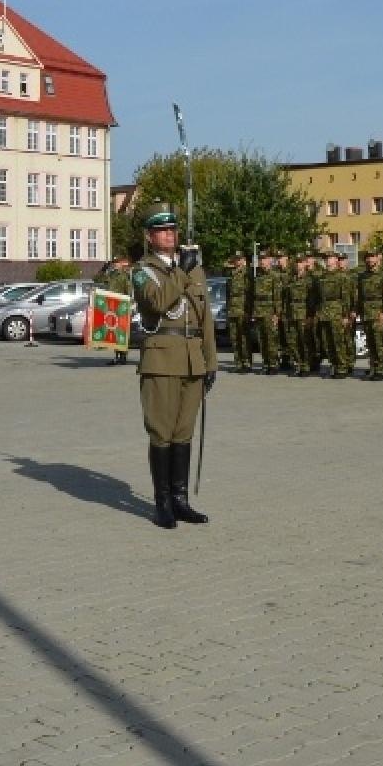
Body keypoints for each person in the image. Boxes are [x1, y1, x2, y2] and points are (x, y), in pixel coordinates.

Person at [129, 203, 216, 529]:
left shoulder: (193, 268)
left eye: (173, 229)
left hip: (193, 359)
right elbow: (157, 301)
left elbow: (204, 317)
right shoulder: (143, 270)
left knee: (183, 433)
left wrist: (210, 361)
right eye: (163, 230)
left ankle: (181, 500)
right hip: (162, 359)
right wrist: (181, 270)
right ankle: (162, 502)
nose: (170, 235)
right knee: (162, 433)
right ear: (151, 237)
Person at [314, 250, 356, 378]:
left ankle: (342, 367)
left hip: (337, 312)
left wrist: (345, 315)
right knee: (327, 341)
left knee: (338, 341)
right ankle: (334, 364)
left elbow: (346, 297)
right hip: (324, 312)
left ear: (336, 260)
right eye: (326, 259)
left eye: (330, 258)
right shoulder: (321, 277)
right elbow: (318, 297)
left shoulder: (342, 277)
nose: (328, 261)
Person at [355, 249, 383, 380]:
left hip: (377, 312)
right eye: (368, 258)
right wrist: (358, 311)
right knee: (370, 342)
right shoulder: (362, 276)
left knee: (379, 342)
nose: (370, 260)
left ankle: (380, 369)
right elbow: (359, 296)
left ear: (377, 258)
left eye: (372, 257)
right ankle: (372, 367)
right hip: (366, 312)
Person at [94, 257, 135, 365]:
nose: (115, 264)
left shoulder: (124, 276)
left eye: (117, 263)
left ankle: (122, 356)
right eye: (114, 263)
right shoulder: (110, 274)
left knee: (121, 332)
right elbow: (97, 280)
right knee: (113, 331)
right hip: (110, 307)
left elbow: (129, 291)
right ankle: (117, 355)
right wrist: (103, 269)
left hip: (121, 307)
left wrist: (129, 305)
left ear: (121, 264)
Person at [249, 250, 282, 375]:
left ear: (270, 260)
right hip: (259, 311)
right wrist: (253, 311)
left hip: (269, 311)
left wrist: (276, 313)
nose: (262, 261)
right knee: (261, 339)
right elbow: (254, 295)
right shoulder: (258, 276)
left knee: (271, 339)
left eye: (265, 259)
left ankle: (273, 364)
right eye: (261, 259)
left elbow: (278, 296)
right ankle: (266, 363)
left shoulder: (274, 275)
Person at [281, 252, 314, 376]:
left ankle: (306, 366)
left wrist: (310, 316)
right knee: (292, 341)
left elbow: (312, 300)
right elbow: (287, 299)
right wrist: (285, 314)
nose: (299, 265)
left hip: (304, 313)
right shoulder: (291, 280)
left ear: (305, 263)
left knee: (304, 341)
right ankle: (298, 363)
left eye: (301, 262)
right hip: (292, 314)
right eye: (297, 262)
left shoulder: (310, 280)